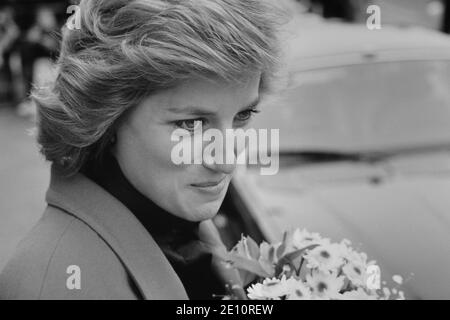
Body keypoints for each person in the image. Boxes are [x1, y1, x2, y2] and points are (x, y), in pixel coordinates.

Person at [0, 0, 281, 299]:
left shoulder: (178, 226)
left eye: (243, 116)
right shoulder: (61, 285)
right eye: (190, 124)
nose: (227, 162)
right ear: (105, 121)